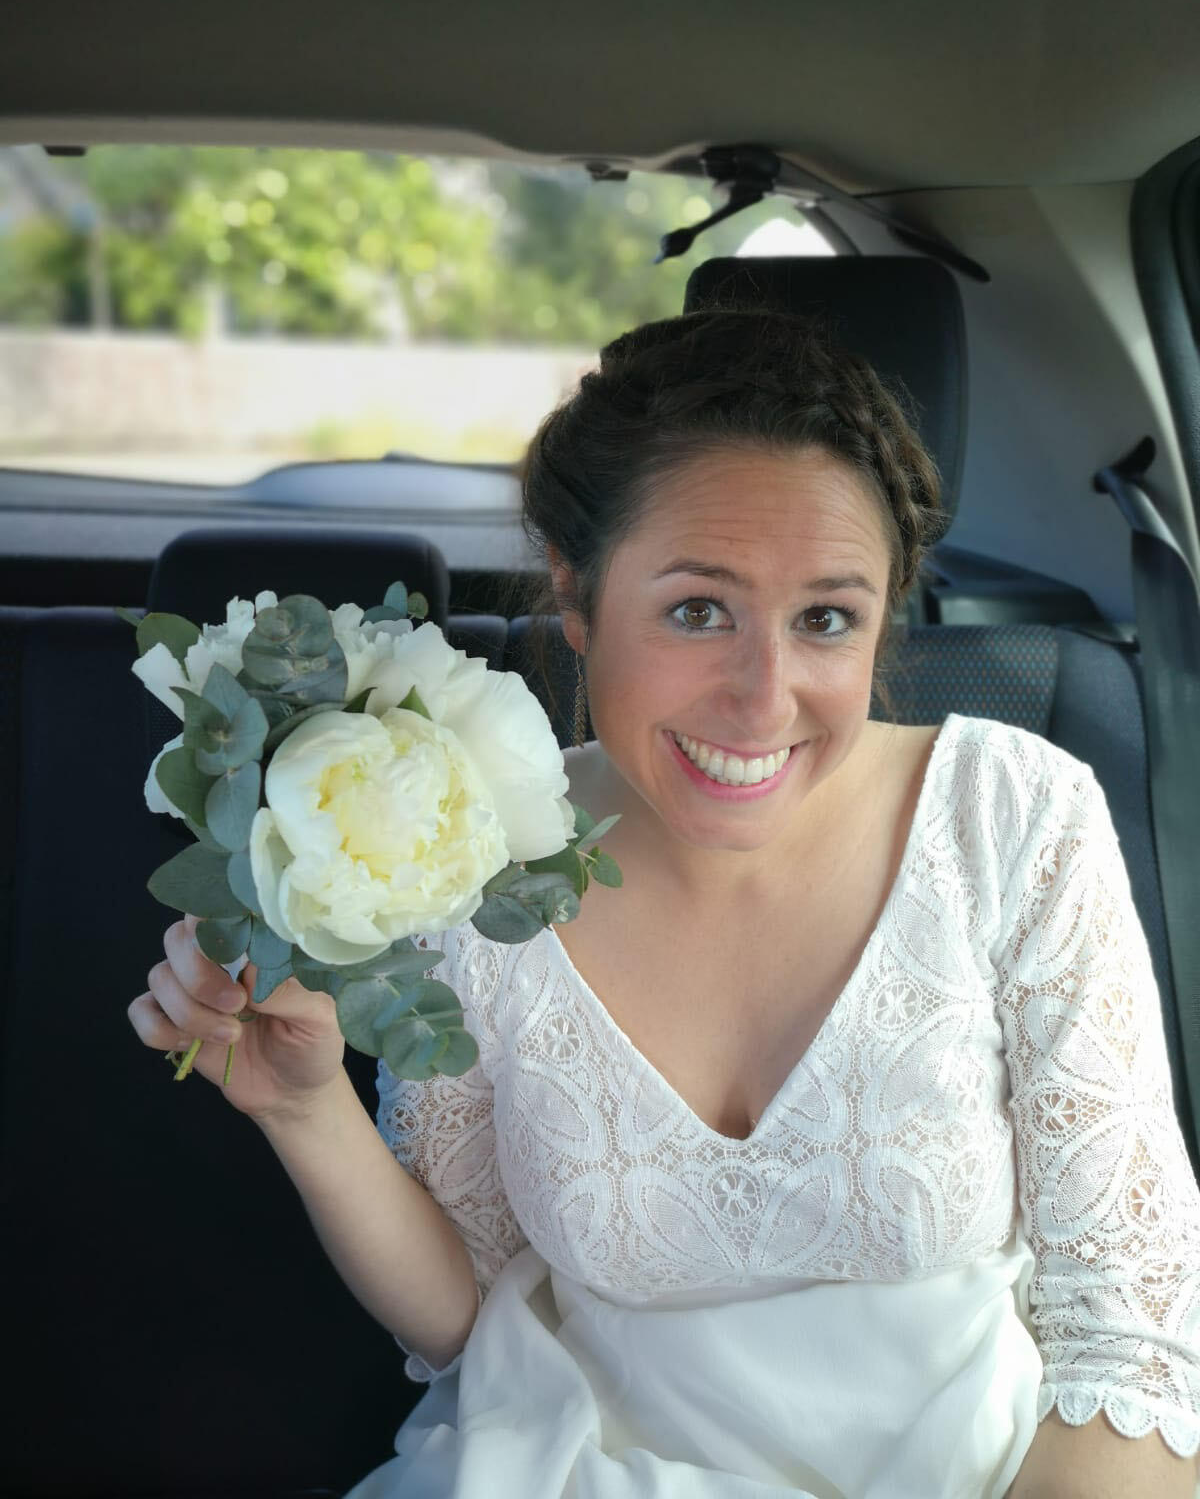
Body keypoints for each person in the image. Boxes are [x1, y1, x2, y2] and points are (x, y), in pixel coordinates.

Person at [128, 310, 1200, 1499]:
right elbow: (469, 1315)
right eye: (699, 610)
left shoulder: (1016, 818)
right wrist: (305, 1108)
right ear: (577, 595)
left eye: (826, 619)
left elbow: (1133, 1346)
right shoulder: (468, 860)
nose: (764, 698)